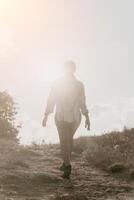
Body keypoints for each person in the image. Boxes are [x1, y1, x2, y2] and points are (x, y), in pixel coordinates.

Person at [42, 61, 90, 179]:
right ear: (64, 69)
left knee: (67, 140)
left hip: (74, 117)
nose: (69, 70)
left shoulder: (79, 85)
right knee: (65, 140)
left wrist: (87, 116)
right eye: (67, 68)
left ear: (74, 69)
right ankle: (67, 165)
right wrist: (46, 114)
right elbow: (51, 99)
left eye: (71, 68)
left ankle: (66, 163)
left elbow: (82, 101)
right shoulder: (58, 83)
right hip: (60, 116)